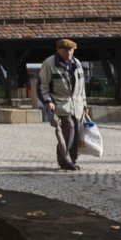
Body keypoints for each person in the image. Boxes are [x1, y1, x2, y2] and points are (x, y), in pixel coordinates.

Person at [38, 38, 88, 170]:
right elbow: (42, 86)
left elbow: (82, 86)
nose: (68, 53)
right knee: (68, 129)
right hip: (60, 103)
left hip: (76, 104)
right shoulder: (49, 64)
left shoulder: (77, 63)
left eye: (70, 50)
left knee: (76, 131)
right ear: (58, 50)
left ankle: (72, 159)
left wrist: (84, 104)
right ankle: (64, 161)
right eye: (65, 50)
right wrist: (48, 101)